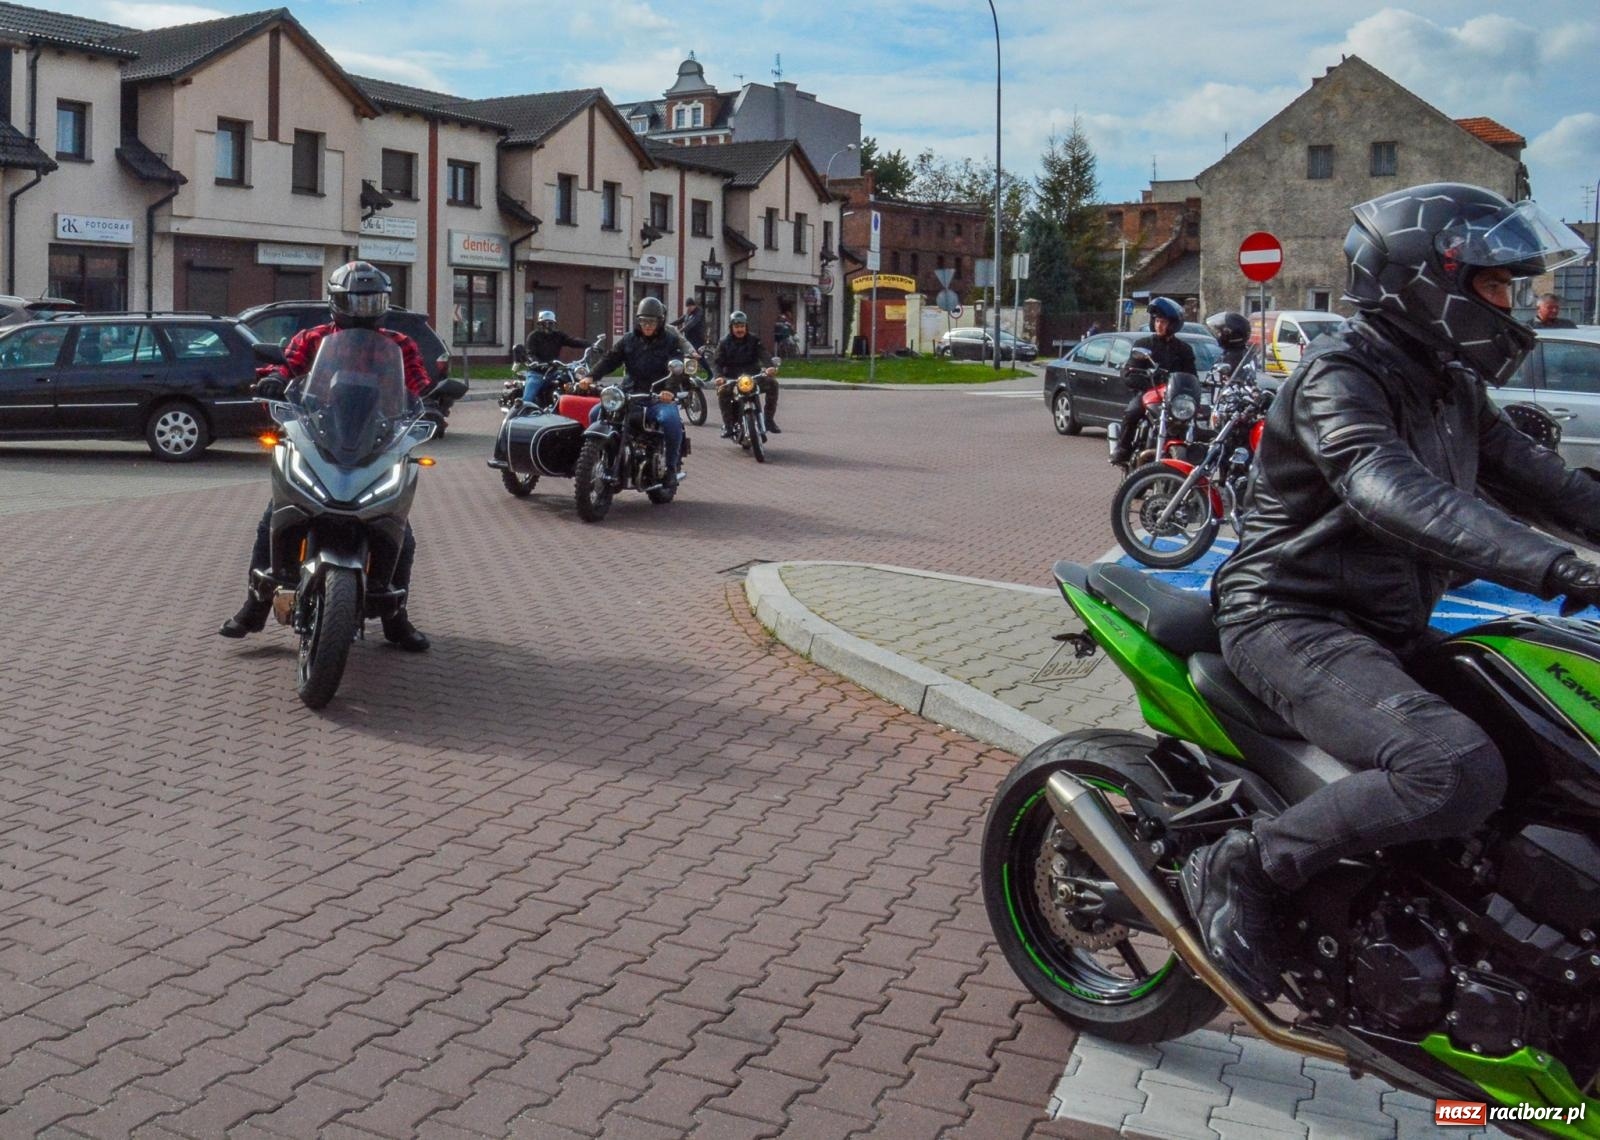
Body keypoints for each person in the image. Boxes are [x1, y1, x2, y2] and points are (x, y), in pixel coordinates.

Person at [1182, 183, 1600, 1004]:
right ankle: (1249, 867)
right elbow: (1387, 488)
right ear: (1425, 281)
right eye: (1492, 285)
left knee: (1549, 750)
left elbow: (1549, 485)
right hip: (1291, 617)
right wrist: (1557, 568)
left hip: (1388, 623)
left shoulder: (1449, 384)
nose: (1511, 304)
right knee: (1453, 769)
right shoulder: (1341, 372)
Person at [219, 261, 434, 652]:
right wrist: (275, 379)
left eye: (373, 302)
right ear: (336, 301)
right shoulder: (313, 338)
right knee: (275, 515)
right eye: (355, 301)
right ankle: (256, 604)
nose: (363, 310)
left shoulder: (400, 345)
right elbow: (286, 366)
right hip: (320, 437)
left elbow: (419, 384)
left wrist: (431, 402)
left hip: (376, 441)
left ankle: (394, 616)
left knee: (399, 529)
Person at [586, 296, 694, 488]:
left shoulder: (670, 341)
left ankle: (670, 469)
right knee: (595, 413)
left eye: (652, 321)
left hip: (656, 396)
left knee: (671, 420)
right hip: (629, 393)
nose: (647, 325)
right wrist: (591, 377)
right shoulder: (629, 339)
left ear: (660, 322)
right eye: (644, 321)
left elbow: (676, 369)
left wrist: (669, 391)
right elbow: (611, 359)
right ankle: (600, 456)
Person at [1109, 296, 1196, 466]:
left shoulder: (1184, 349)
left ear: (1173, 324)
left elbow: (1191, 376)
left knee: (1193, 417)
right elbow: (1130, 370)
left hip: (1173, 397)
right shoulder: (1144, 344)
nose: (1159, 325)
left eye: (1163, 322)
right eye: (1156, 321)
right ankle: (1122, 448)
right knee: (1132, 412)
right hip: (1149, 393)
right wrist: (1142, 378)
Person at [713, 310, 780, 438]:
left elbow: (764, 354)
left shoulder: (754, 340)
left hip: (752, 377)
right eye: (737, 327)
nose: (740, 330)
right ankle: (728, 426)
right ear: (731, 327)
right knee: (722, 392)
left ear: (746, 327)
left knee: (773, 384)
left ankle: (769, 420)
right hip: (731, 378)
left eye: (742, 326)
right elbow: (717, 362)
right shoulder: (724, 342)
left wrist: (770, 367)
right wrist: (719, 377)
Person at [520, 310, 590, 406]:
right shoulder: (533, 336)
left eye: (550, 323)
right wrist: (537, 363)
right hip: (537, 373)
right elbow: (530, 353)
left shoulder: (558, 335)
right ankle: (521, 414)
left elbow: (572, 341)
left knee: (570, 383)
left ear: (554, 324)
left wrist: (590, 344)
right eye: (545, 323)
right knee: (528, 399)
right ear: (540, 324)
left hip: (554, 372)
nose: (548, 326)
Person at [1204, 310, 1259, 379]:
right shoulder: (1228, 353)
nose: (1219, 335)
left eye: (1222, 332)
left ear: (1233, 334)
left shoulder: (1239, 356)